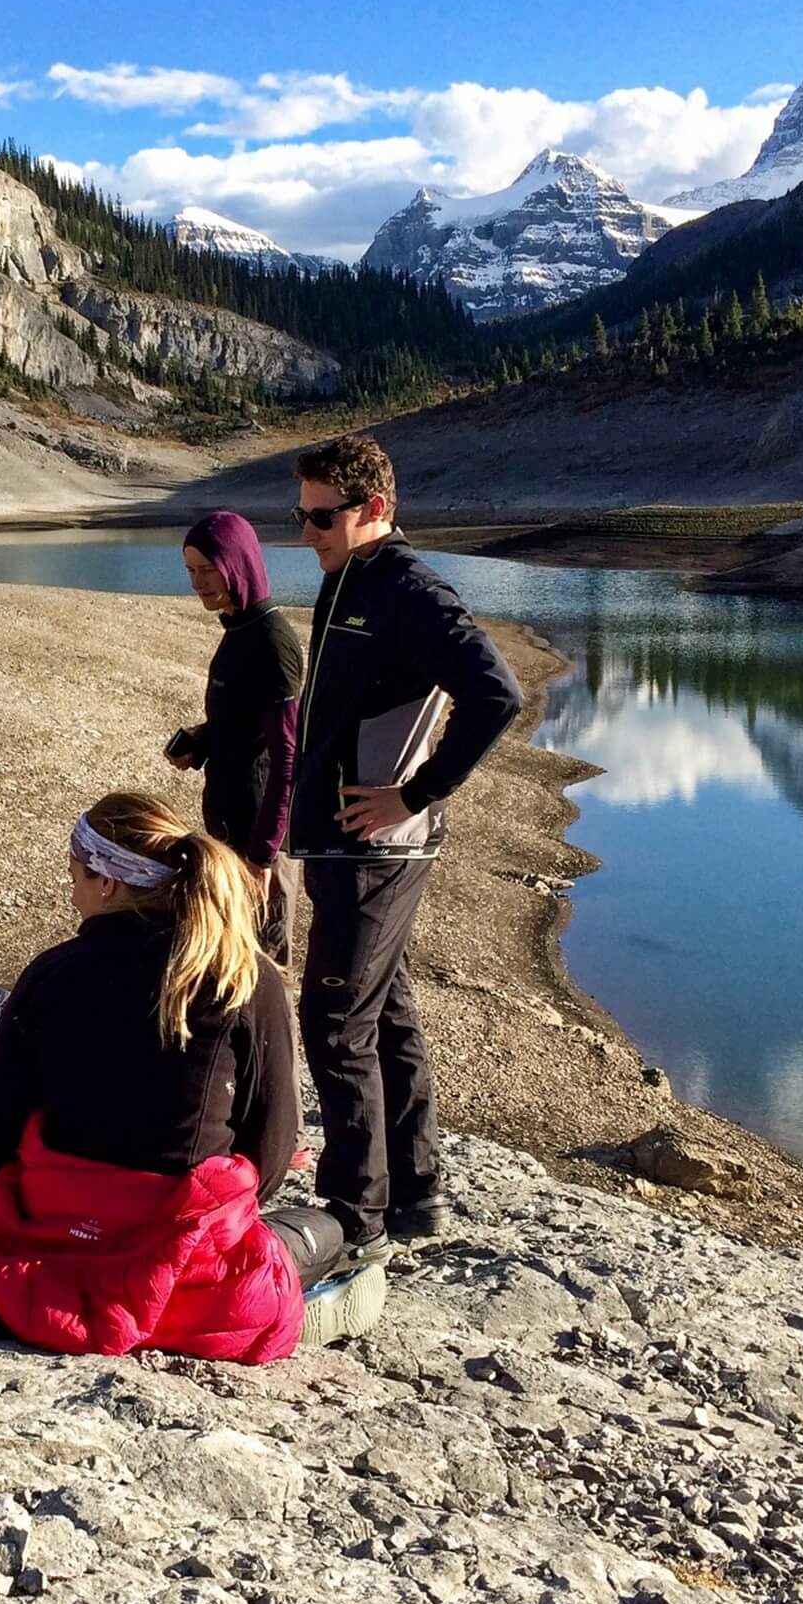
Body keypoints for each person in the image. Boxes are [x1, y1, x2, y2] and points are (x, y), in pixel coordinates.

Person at [0, 792, 385, 1361]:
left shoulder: (51, 972)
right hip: (180, 1243)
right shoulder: (242, 976)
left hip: (56, 1234)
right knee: (330, 1230)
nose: (73, 893)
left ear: (107, 883)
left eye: (75, 877)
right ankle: (299, 1300)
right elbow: (271, 1151)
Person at [290, 433, 523, 1261]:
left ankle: (356, 1213)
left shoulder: (410, 590)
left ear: (375, 510)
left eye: (323, 516)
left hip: (378, 850)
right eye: (302, 513)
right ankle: (412, 1192)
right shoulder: (346, 579)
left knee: (334, 1016)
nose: (308, 531)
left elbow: (497, 695)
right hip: (347, 844)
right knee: (383, 1008)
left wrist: (413, 795)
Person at [165, 510, 303, 963]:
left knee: (263, 965)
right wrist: (199, 741)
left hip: (259, 841)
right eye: (190, 570)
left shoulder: (271, 641)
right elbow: (244, 723)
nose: (197, 582)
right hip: (229, 830)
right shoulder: (238, 628)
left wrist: (262, 857)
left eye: (207, 569)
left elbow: (287, 756)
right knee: (231, 957)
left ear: (238, 563)